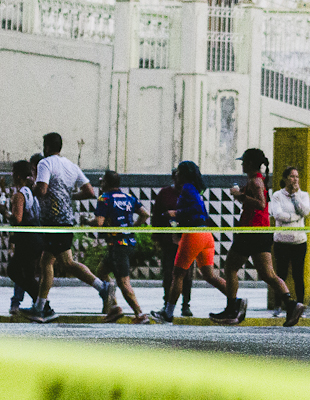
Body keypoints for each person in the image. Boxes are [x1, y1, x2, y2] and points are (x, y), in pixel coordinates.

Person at [26, 132, 117, 323]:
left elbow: (42, 190)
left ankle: (41, 307)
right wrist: (68, 196)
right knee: (56, 262)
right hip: (66, 219)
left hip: (54, 220)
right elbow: (89, 191)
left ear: (47, 146)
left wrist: (30, 186)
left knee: (55, 263)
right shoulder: (71, 165)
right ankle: (42, 306)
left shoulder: (45, 163)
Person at [217, 149, 304, 327]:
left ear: (249, 164)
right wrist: (241, 196)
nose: (241, 165)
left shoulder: (255, 181)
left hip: (252, 231)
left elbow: (261, 204)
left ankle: (233, 307)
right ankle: (291, 304)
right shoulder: (258, 180)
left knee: (230, 267)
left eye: (244, 162)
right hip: (262, 231)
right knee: (268, 274)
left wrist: (240, 196)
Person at [151, 161, 233, 323]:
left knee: (178, 274)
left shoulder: (187, 188)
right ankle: (236, 302)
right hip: (205, 235)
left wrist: (176, 213)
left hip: (193, 234)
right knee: (209, 275)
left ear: (184, 174)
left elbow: (196, 210)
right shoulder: (195, 188)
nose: (176, 175)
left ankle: (168, 313)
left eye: (179, 172)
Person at [94, 171, 150, 324]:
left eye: (102, 181)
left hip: (118, 246)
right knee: (101, 272)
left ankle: (140, 314)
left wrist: (87, 221)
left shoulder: (104, 199)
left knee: (123, 282)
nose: (100, 184)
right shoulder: (128, 198)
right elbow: (145, 214)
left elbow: (99, 222)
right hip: (126, 243)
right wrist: (133, 227)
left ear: (106, 183)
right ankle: (114, 307)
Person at [269, 167, 310, 314]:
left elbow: (305, 211)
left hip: (299, 241)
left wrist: (295, 197)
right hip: (282, 241)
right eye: (292, 176)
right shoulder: (277, 196)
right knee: (280, 274)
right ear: (285, 178)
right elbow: (278, 215)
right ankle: (278, 305)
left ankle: (300, 304)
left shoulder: (304, 196)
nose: (295, 179)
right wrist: (294, 217)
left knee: (298, 275)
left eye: (297, 176)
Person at [151, 175, 193, 317]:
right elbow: (156, 215)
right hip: (168, 240)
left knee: (186, 275)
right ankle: (167, 303)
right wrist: (156, 236)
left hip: (187, 239)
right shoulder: (165, 193)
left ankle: (185, 304)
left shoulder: (191, 194)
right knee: (169, 273)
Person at [6, 159, 42, 316]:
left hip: (26, 240)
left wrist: (3, 212)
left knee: (13, 270)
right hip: (36, 238)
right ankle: (40, 305)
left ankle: (42, 303)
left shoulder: (19, 195)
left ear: (18, 176)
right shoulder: (32, 193)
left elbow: (17, 219)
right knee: (27, 274)